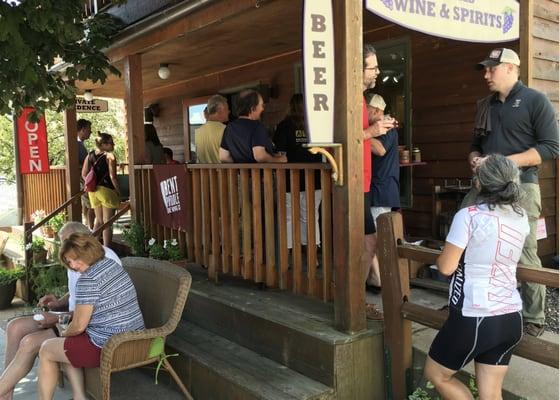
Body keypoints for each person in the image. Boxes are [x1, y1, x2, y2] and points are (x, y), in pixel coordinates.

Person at [464, 48, 559, 337]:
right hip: (483, 186)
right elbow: (475, 145)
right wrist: (474, 159)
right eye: (485, 69)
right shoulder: (486, 105)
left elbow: (551, 147)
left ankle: (534, 317)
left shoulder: (535, 100)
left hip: (522, 186)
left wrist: (503, 161)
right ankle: (466, 302)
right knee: (465, 238)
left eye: (491, 69)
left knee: (525, 249)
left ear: (510, 68)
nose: (486, 74)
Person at [425, 154, 529, 400]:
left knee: (436, 374)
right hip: (511, 316)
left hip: (476, 314)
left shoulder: (468, 215)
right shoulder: (521, 217)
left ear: (479, 184)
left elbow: (446, 267)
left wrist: (444, 254)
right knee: (491, 394)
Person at [0, 222, 120, 400]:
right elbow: (76, 294)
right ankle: (6, 391)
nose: (62, 249)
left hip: (88, 325)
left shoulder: (101, 263)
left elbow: (92, 315)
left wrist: (58, 322)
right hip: (75, 318)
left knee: (32, 343)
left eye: (65, 243)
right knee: (14, 327)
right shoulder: (79, 259)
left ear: (80, 240)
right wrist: (58, 303)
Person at [37, 233, 144, 400]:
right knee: (64, 345)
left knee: (47, 349)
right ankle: (79, 397)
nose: (72, 265)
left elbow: (79, 325)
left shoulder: (88, 279)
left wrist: (64, 331)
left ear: (87, 252)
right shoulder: (110, 265)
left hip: (109, 346)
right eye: (68, 262)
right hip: (135, 337)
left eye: (74, 259)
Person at [361, 44, 397, 318]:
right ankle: (362, 289)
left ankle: (369, 286)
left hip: (376, 188)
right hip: (363, 185)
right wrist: (371, 130)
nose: (377, 72)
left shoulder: (380, 122)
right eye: (372, 67)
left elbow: (380, 149)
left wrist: (371, 130)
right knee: (369, 239)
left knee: (372, 239)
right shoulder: (355, 101)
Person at [273, 93, 322, 251]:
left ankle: (289, 249)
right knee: (311, 215)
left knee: (288, 216)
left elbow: (280, 153)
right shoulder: (316, 124)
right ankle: (311, 250)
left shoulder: (284, 125)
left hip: (289, 178)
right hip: (314, 178)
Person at [365, 91, 400, 292]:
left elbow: (380, 150)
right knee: (371, 237)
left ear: (376, 110)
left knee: (377, 239)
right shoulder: (376, 126)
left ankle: (381, 280)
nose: (364, 113)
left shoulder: (385, 125)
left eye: (367, 110)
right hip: (377, 189)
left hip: (382, 190)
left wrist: (361, 135)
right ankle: (376, 278)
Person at [219, 89, 287, 163]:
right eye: (261, 105)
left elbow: (224, 157)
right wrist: (278, 160)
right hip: (261, 174)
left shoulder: (229, 128)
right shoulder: (257, 126)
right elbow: (260, 156)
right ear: (253, 108)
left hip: (240, 174)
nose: (263, 108)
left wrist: (240, 167)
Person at [81, 133, 120, 247]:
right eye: (111, 142)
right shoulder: (110, 156)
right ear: (103, 144)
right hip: (107, 190)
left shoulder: (90, 155)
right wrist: (118, 192)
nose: (113, 144)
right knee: (107, 222)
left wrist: (93, 181)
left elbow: (84, 174)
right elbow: (113, 177)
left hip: (93, 191)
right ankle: (108, 250)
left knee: (99, 221)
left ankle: (93, 247)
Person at [195, 94, 229, 163]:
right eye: (227, 109)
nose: (228, 112)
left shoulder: (197, 132)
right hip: (224, 173)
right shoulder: (226, 130)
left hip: (204, 173)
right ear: (220, 110)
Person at [76, 119, 95, 229]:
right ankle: (91, 229)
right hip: (84, 179)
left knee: (86, 205)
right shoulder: (77, 145)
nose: (90, 132)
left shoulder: (79, 144)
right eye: (89, 130)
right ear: (83, 130)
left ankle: (87, 227)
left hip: (83, 179)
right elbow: (81, 163)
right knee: (91, 204)